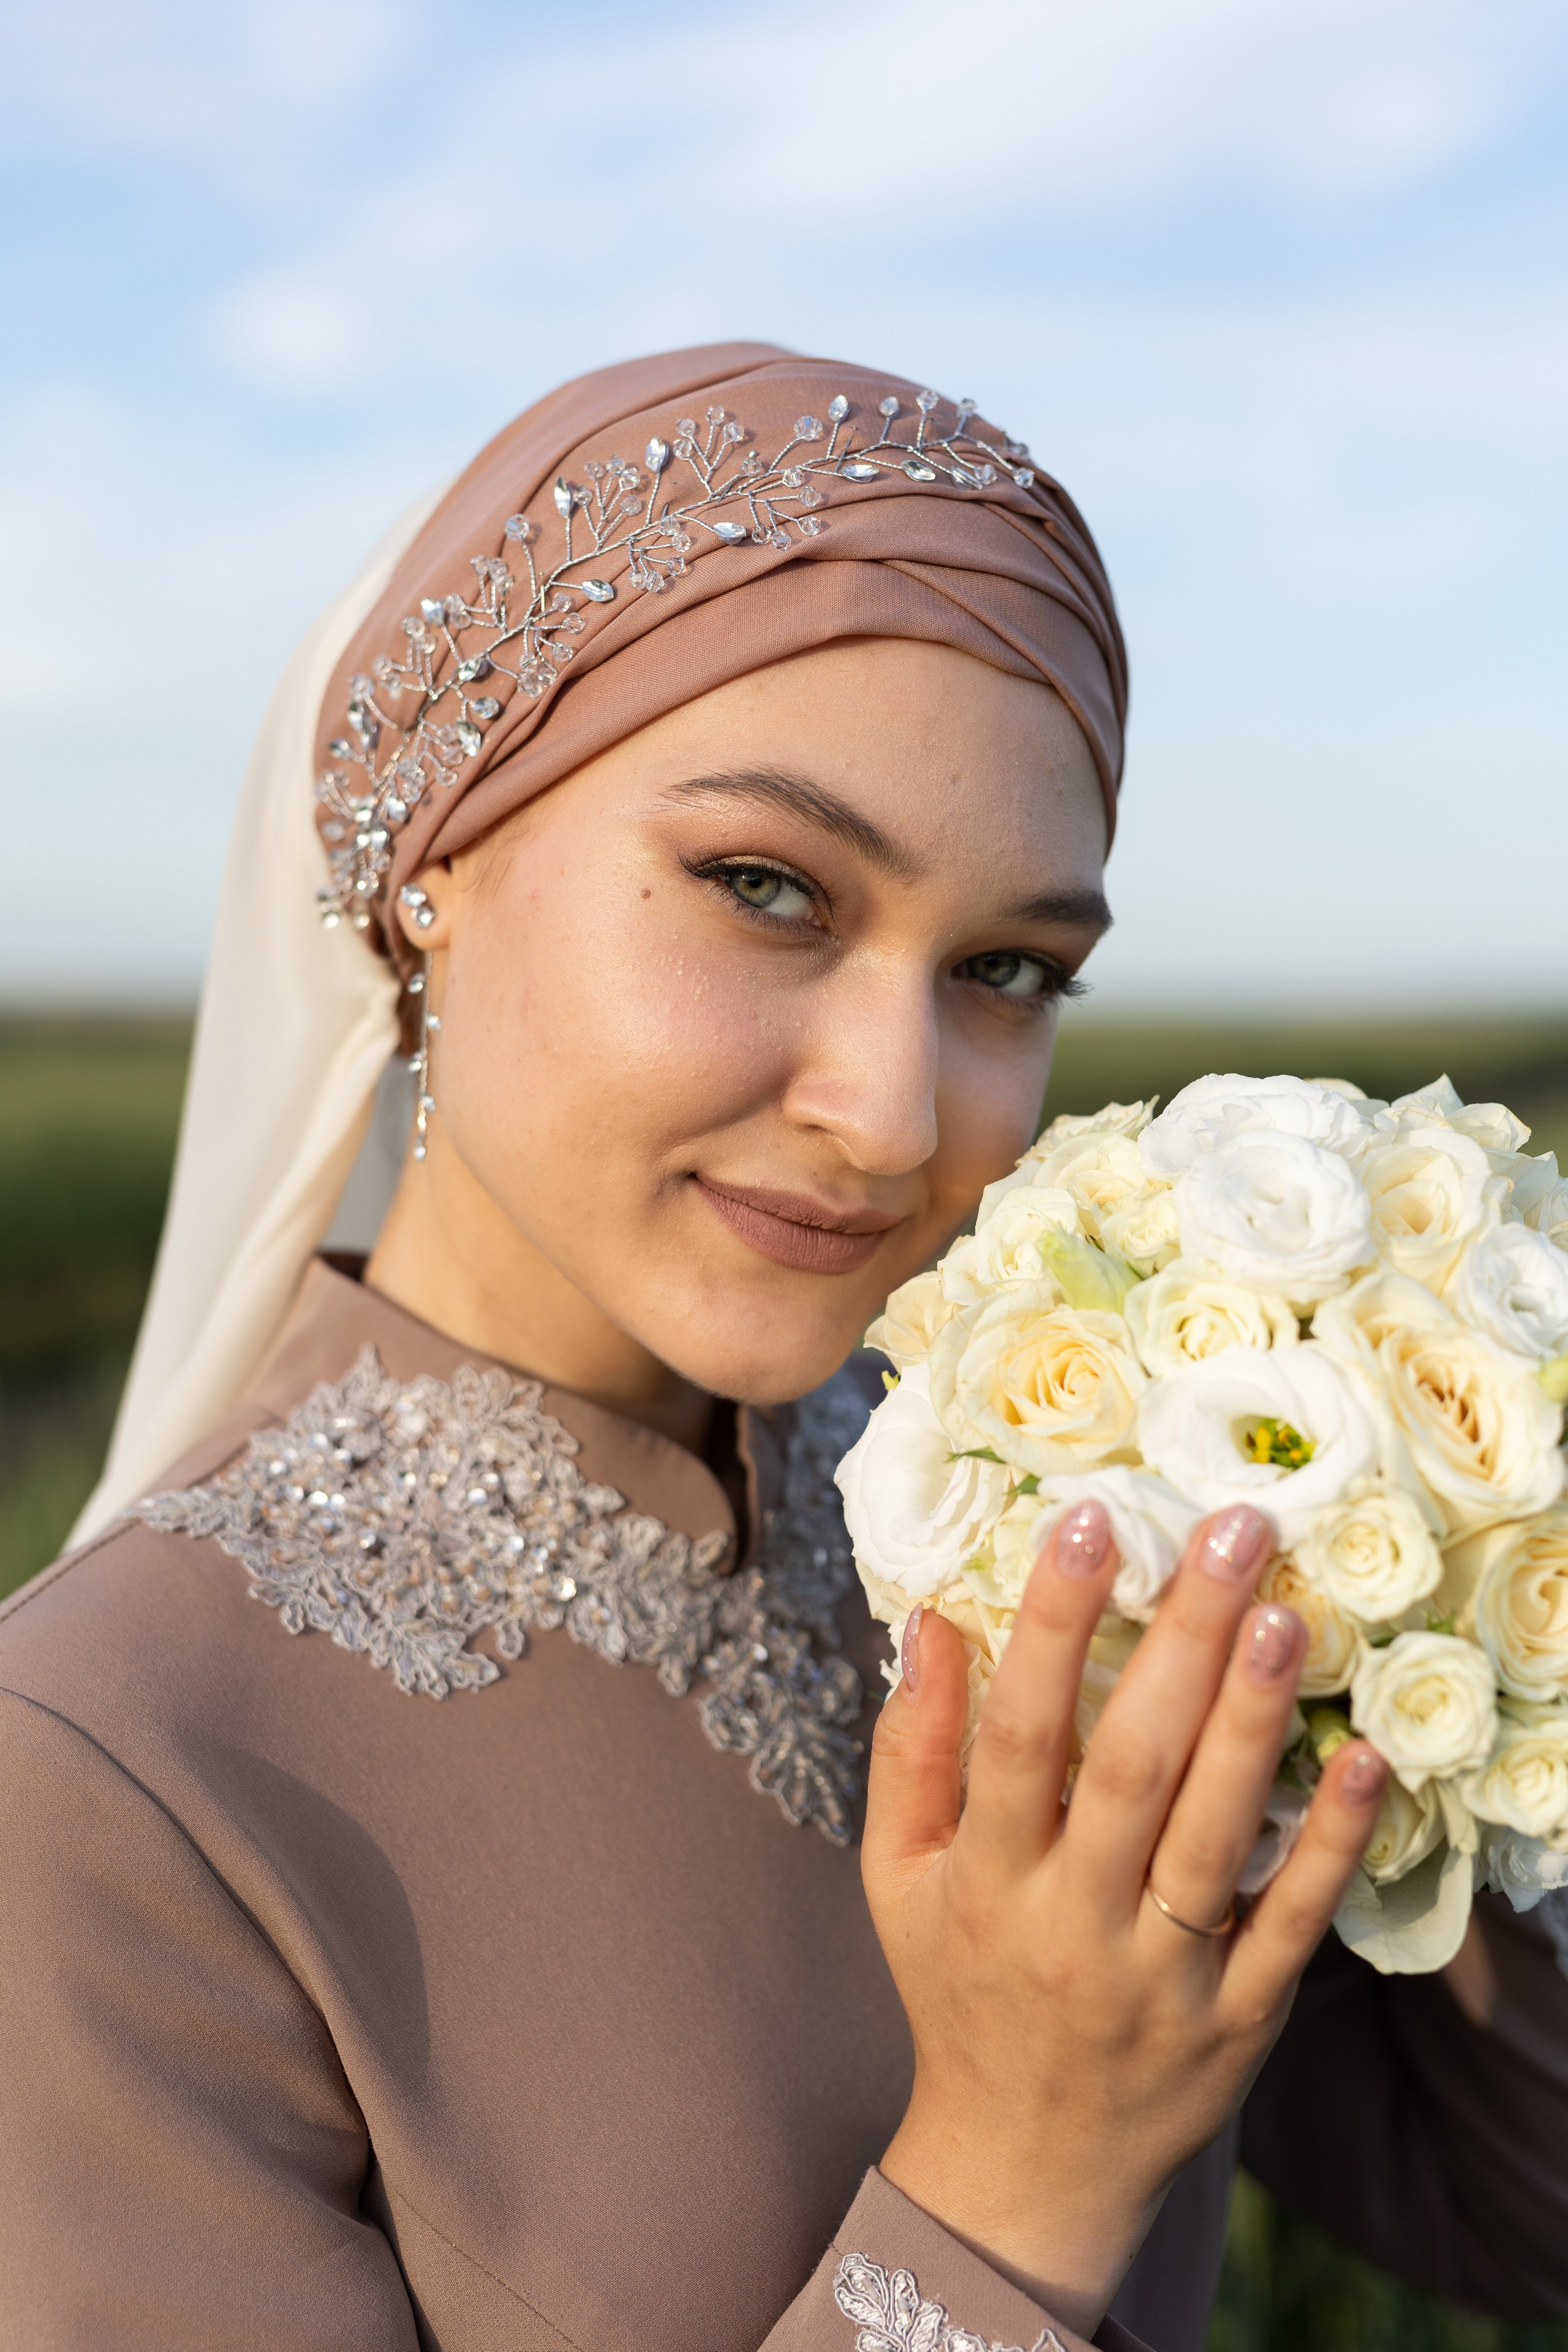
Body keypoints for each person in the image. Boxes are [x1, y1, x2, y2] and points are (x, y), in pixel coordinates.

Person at [1, 343, 1564, 2352]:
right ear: (430, 878)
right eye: (766, 889)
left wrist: (1452, 1588)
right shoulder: (104, 1795)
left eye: (1010, 969)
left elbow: (1510, 2218)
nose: (900, 1116)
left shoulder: (1053, 1527)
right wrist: (1022, 2185)